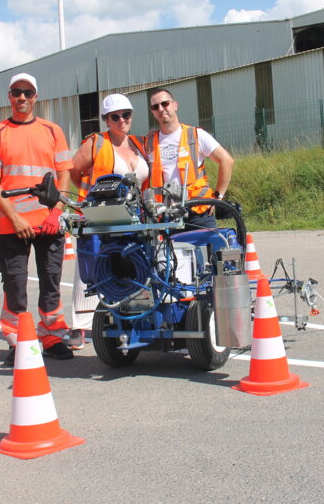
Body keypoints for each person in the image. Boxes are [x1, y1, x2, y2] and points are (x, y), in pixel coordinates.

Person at [0, 73, 74, 363]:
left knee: (51, 283)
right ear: (9, 96)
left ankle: (53, 337)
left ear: (36, 97)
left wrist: (57, 211)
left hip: (49, 223)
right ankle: (17, 342)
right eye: (17, 92)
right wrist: (15, 218)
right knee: (14, 285)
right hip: (13, 225)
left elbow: (64, 174)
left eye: (28, 93)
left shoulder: (51, 130)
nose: (22, 97)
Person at [68, 93, 150, 347]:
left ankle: (132, 315)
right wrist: (90, 196)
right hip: (104, 218)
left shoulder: (139, 143)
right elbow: (73, 170)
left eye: (126, 115)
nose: (122, 120)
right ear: (106, 119)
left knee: (135, 267)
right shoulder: (97, 143)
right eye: (115, 117)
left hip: (136, 218)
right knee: (94, 267)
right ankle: (79, 326)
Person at [145, 88, 234, 229]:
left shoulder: (196, 135)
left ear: (175, 105)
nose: (161, 109)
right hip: (167, 215)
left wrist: (218, 196)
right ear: (153, 112)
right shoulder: (149, 142)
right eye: (156, 107)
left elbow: (226, 161)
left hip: (198, 213)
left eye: (165, 103)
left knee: (208, 250)